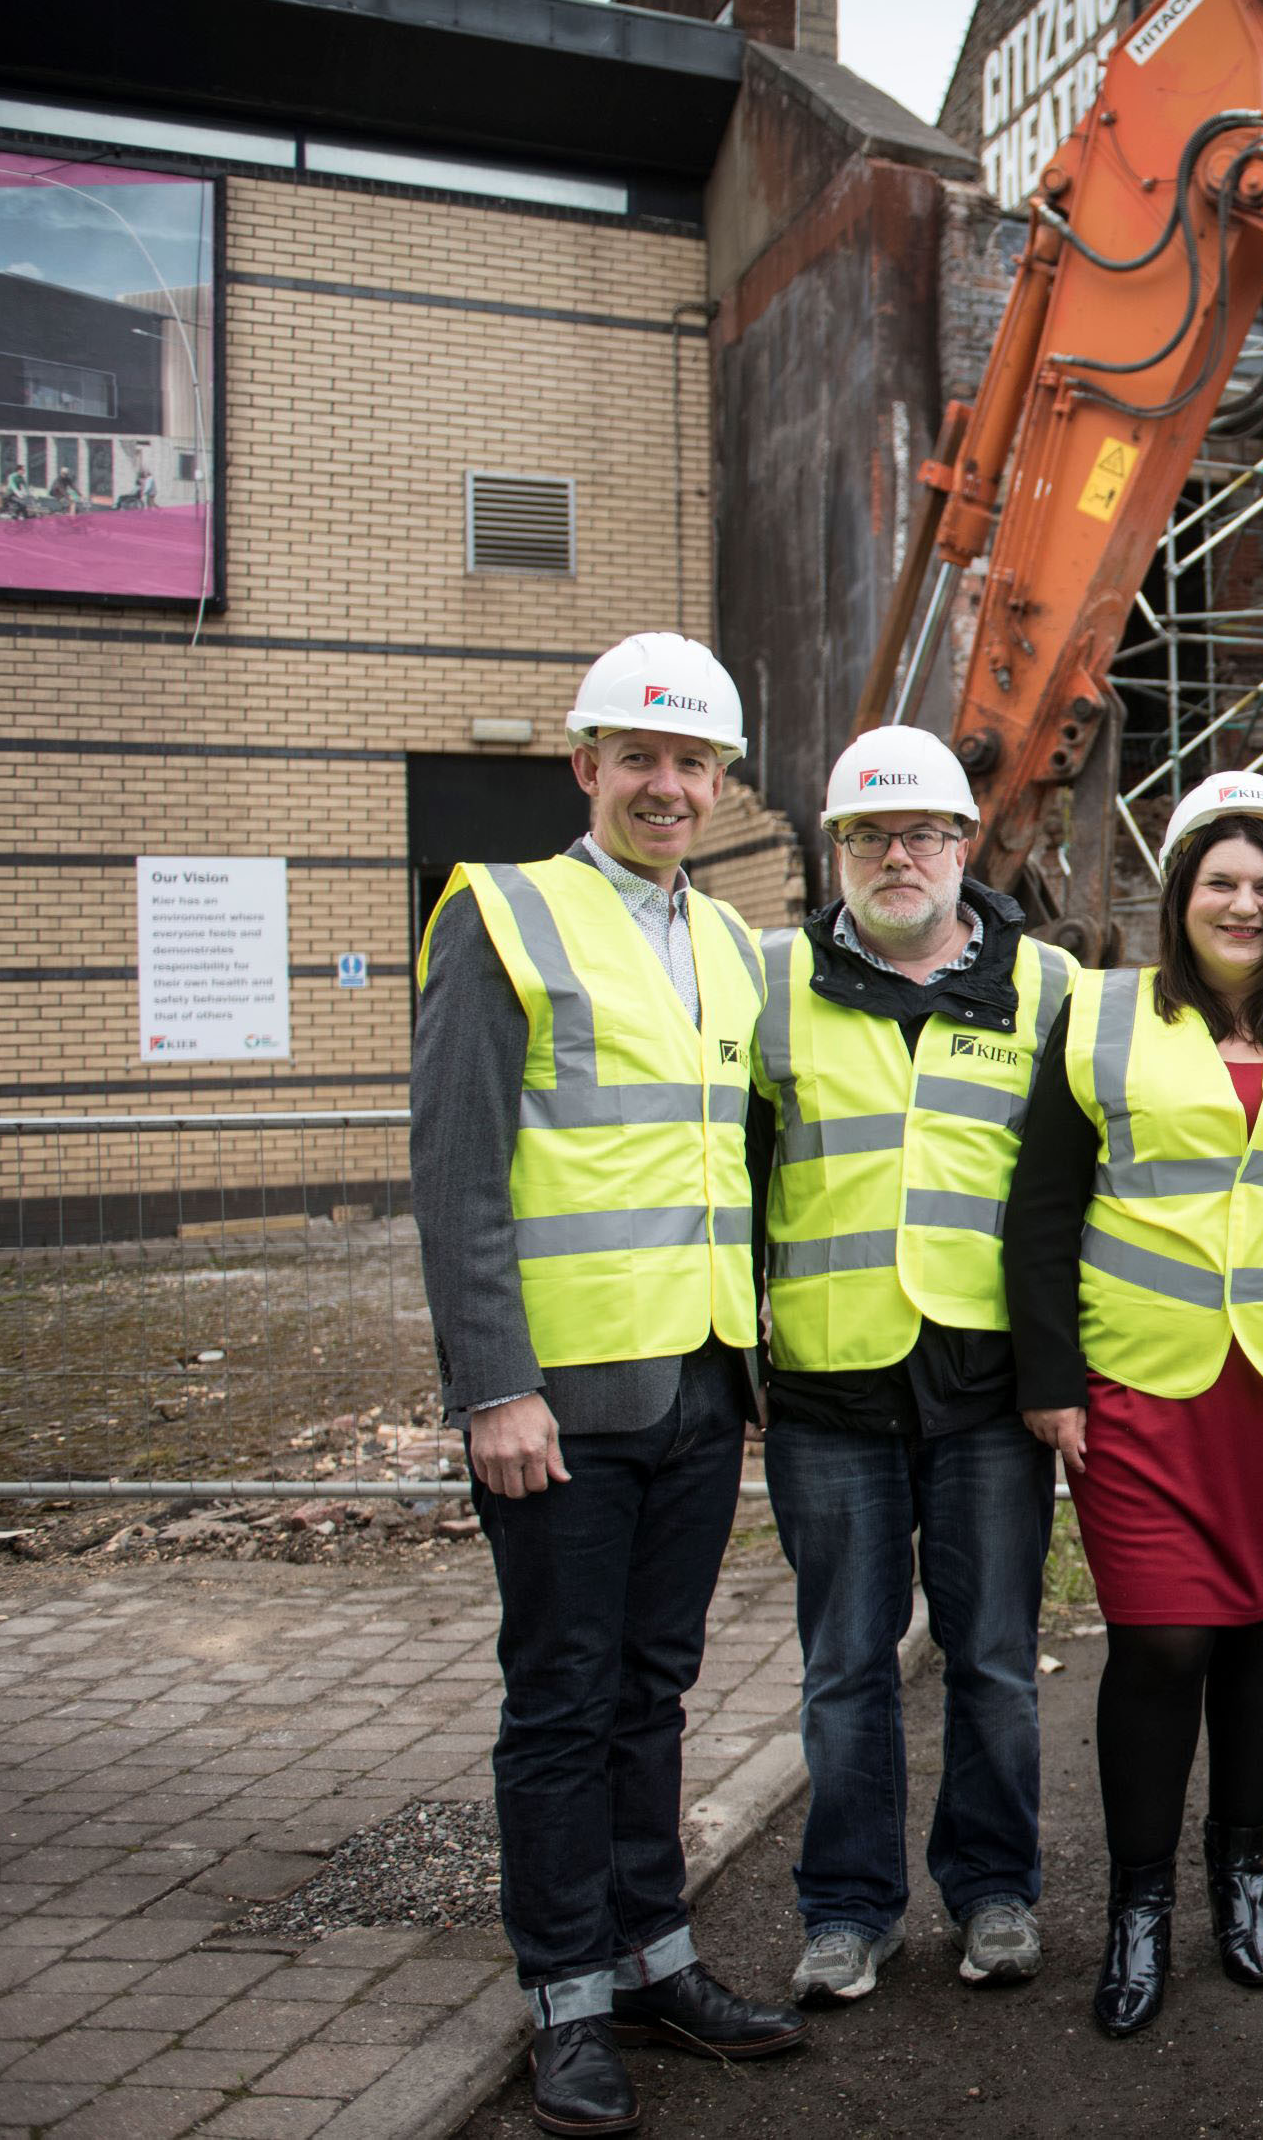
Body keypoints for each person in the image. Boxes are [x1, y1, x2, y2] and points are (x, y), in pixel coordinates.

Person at [412, 632, 805, 2136]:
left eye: (692, 762)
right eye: (638, 756)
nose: (667, 784)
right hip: (561, 1400)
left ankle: (655, 1957)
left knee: (657, 1687)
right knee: (563, 1699)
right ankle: (567, 1997)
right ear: (585, 767)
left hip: (701, 1383)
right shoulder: (504, 916)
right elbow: (456, 1175)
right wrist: (490, 1386)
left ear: (717, 787)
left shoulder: (724, 942)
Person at [1011, 773, 1263, 2039]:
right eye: (1220, 878)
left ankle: (1243, 1872)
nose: (1243, 902)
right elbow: (1043, 1203)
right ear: (1180, 891)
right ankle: (1139, 1904)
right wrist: (1047, 1376)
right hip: (1138, 1384)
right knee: (1160, 1640)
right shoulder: (1099, 1016)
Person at [748, 727, 1076, 2009]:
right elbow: (735, 1171)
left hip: (989, 1388)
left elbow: (1070, 1193)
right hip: (831, 1388)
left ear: (963, 844)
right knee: (843, 1665)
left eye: (925, 833)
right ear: (837, 851)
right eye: (871, 836)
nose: (900, 855)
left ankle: (995, 1892)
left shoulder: (1045, 985)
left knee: (994, 1655)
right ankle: (846, 1907)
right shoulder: (775, 985)